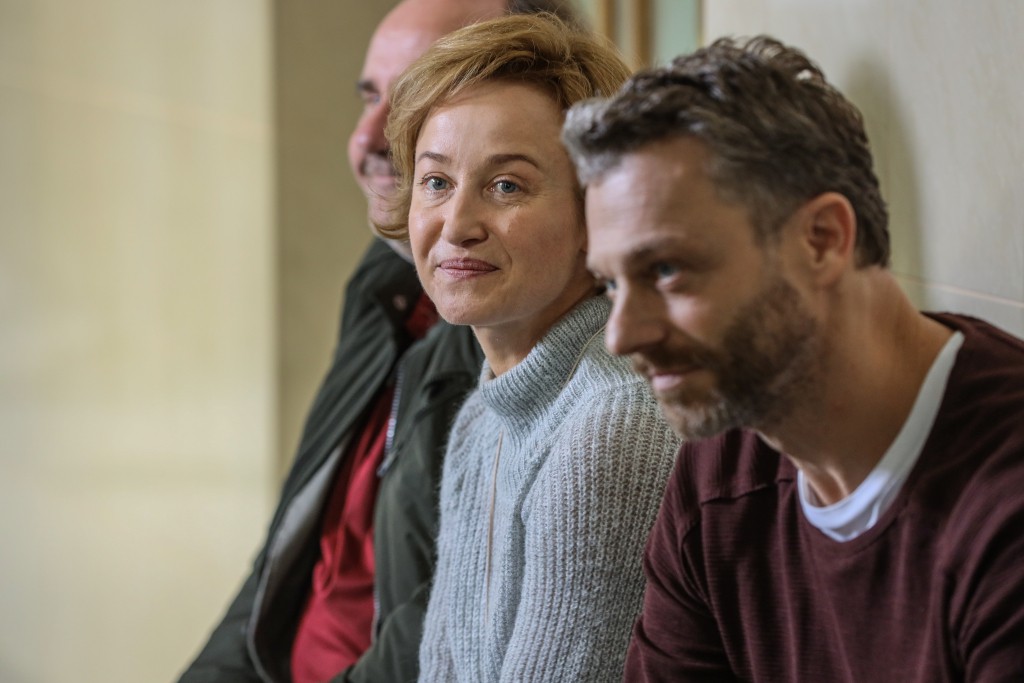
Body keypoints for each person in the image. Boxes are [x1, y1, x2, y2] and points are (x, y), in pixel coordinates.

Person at [561, 35, 1024, 682]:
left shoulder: (1004, 504)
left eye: (666, 270)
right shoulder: (719, 468)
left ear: (822, 240)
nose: (622, 335)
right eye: (611, 284)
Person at [177, 2, 585, 682]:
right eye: (370, 98)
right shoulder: (383, 280)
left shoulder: (522, 339)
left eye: (416, 98)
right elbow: (285, 552)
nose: (370, 137)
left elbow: (446, 627)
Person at [375, 14, 681, 682]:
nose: (457, 224)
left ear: (595, 214)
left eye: (506, 185)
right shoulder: (481, 417)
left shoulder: (610, 423)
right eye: (436, 182)